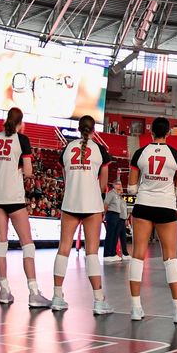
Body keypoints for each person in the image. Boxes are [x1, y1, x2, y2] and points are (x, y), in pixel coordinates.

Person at [128, 117, 177, 322]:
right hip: (166, 208)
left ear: (151, 132)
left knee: (137, 255)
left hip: (143, 206)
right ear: (168, 133)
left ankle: (136, 308)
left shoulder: (139, 154)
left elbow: (131, 189)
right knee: (170, 258)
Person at [52, 115, 112, 313]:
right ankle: (98, 300)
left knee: (63, 249)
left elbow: (65, 176)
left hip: (70, 202)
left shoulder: (67, 148)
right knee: (92, 253)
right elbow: (103, 184)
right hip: (92, 204)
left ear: (78, 129)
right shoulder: (100, 151)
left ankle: (57, 296)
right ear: (94, 130)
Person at [0, 107, 47, 307]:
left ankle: (4, 290)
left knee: (1, 244)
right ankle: (33, 292)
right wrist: (19, 167)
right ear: (20, 123)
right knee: (27, 244)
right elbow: (29, 172)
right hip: (14, 197)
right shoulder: (22, 140)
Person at [103, 181, 128, 263]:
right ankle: (107, 254)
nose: (119, 185)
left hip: (117, 215)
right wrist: (104, 215)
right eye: (117, 184)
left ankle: (112, 254)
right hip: (111, 214)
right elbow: (106, 204)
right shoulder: (111, 193)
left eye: (120, 184)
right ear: (113, 185)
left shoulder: (117, 196)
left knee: (114, 235)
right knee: (110, 234)